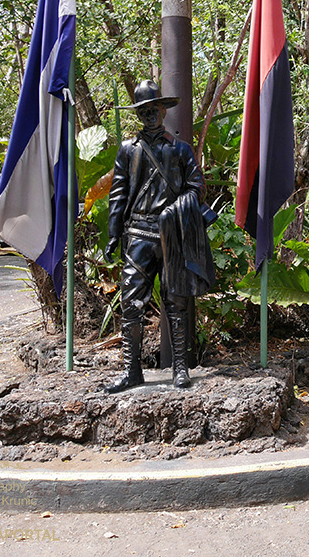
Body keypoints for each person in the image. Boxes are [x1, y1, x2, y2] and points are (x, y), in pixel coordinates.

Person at [103, 80, 215, 393]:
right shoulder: (128, 150)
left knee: (176, 302)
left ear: (163, 110)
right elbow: (118, 194)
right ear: (138, 114)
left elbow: (197, 187)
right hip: (138, 234)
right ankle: (131, 371)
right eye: (144, 110)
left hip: (171, 234)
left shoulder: (180, 149)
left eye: (154, 108)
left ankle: (181, 369)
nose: (150, 114)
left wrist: (174, 210)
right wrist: (113, 235)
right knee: (131, 304)